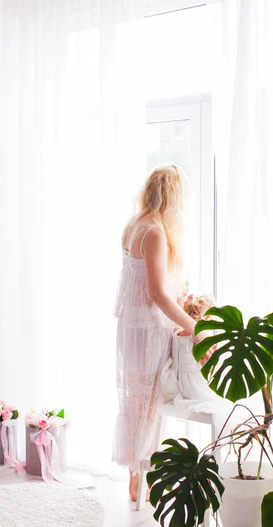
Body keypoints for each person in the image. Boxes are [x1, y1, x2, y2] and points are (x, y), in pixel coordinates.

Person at [112, 165, 212, 502]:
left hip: (132, 327)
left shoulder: (134, 224)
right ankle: (143, 473)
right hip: (148, 329)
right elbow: (157, 294)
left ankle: (137, 473)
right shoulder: (154, 231)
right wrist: (194, 328)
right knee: (148, 402)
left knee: (137, 399)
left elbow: (141, 284)